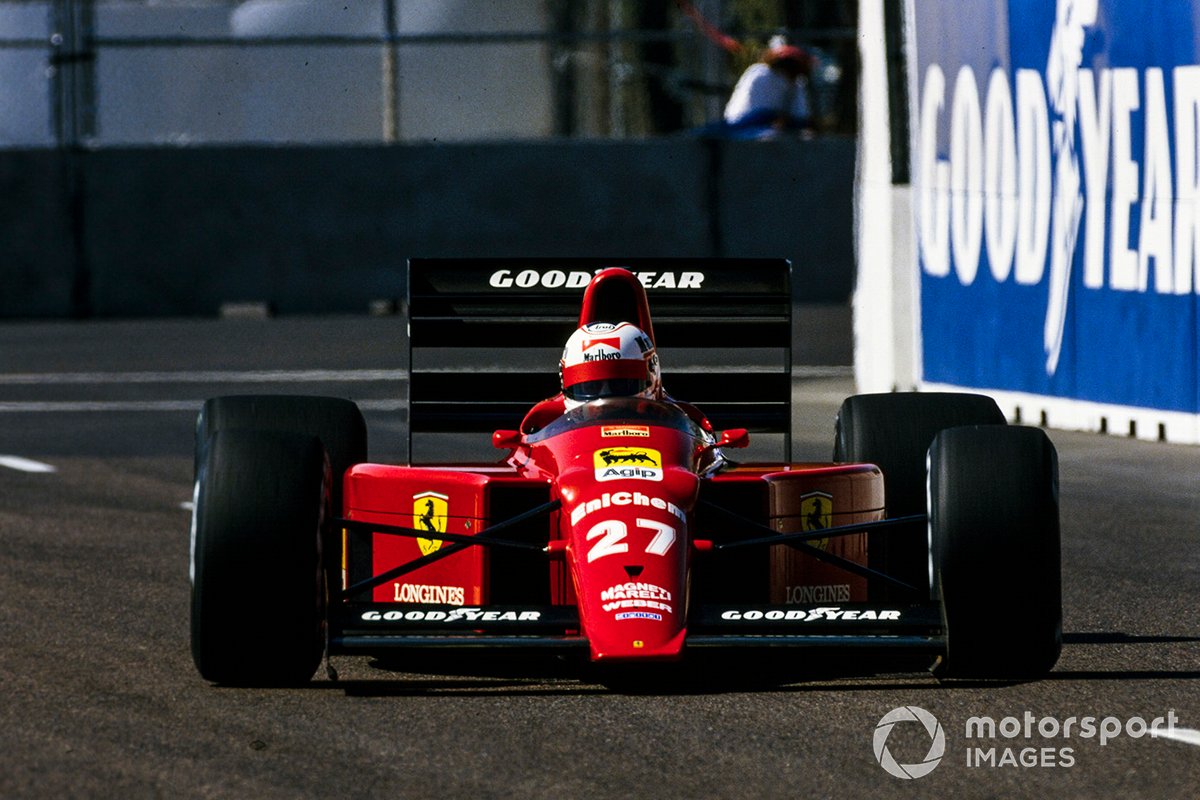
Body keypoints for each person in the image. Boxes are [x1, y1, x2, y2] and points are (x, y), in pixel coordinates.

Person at [519, 321, 711, 436]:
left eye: (619, 385)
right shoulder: (542, 426)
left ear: (652, 373)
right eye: (590, 387)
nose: (606, 399)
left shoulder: (684, 422)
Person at [722, 42, 815, 136]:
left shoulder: (797, 82)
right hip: (745, 125)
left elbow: (800, 115)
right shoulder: (760, 73)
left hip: (773, 128)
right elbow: (755, 114)